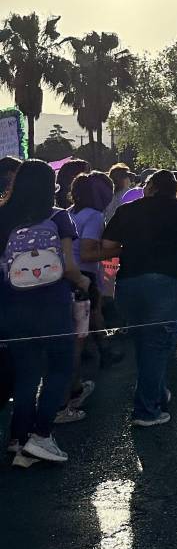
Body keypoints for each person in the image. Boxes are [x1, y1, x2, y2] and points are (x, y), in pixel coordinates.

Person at [100, 170, 177, 427]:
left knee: (145, 342)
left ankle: (158, 393)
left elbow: (107, 248)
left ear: (149, 186)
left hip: (128, 283)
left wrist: (114, 273)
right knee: (159, 343)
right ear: (174, 189)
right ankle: (146, 410)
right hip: (166, 283)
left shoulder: (127, 210)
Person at [0, 160, 91, 467]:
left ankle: (18, 438)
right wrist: (84, 281)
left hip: (13, 306)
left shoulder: (3, 216)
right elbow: (68, 266)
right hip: (52, 305)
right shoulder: (59, 217)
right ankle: (41, 435)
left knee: (25, 375)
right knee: (59, 370)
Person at [63, 171, 116, 423]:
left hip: (66, 277)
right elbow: (87, 253)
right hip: (83, 277)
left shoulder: (70, 212)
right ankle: (72, 391)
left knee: (92, 319)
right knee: (78, 338)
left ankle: (105, 351)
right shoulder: (94, 216)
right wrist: (119, 250)